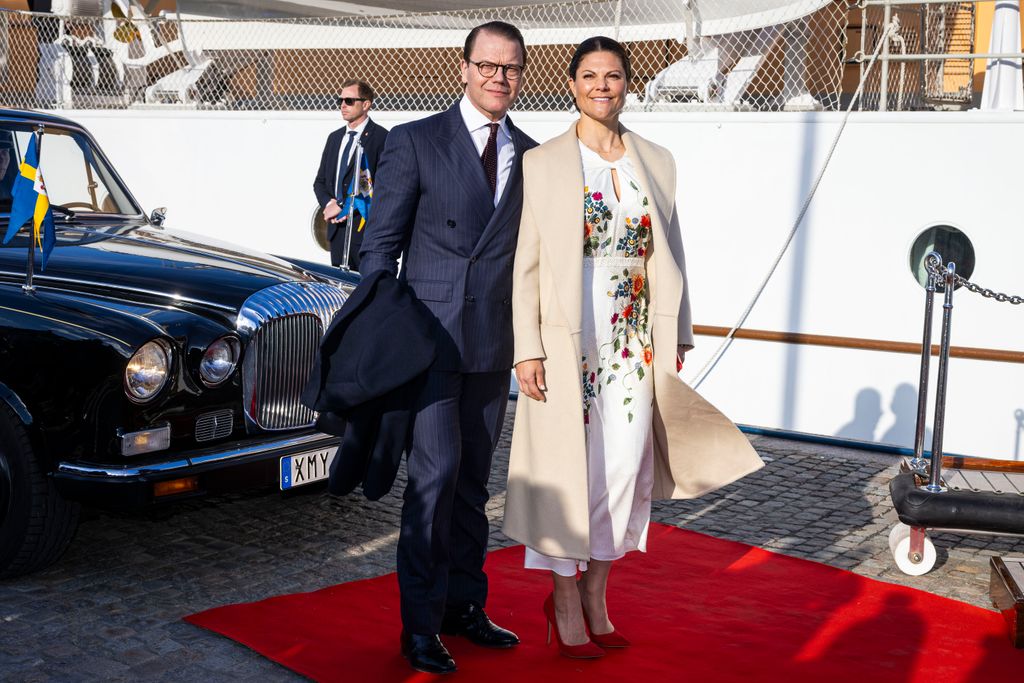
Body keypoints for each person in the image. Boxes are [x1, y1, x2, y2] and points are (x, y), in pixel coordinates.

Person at [504, 36, 763, 659]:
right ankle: (565, 598)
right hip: (570, 332)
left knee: (625, 466)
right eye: (589, 75)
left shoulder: (656, 159)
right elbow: (527, 265)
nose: (602, 86)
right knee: (570, 466)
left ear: (627, 84)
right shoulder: (543, 162)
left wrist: (676, 330)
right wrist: (527, 349)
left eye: (613, 76)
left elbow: (671, 250)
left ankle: (596, 589)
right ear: (571, 84)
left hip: (633, 334)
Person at [358, 21, 538, 675]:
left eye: (511, 67)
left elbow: (533, 260)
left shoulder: (533, 154)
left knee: (470, 485)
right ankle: (421, 625)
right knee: (432, 481)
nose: (498, 77)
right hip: (428, 342)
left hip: (492, 343)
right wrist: (382, 327)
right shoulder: (415, 142)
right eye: (487, 65)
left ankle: (466, 605)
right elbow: (380, 248)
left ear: (523, 72)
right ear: (463, 68)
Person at [313, 78, 388, 270]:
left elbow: (380, 185)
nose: (343, 105)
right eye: (340, 100)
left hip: (363, 230)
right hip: (337, 231)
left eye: (349, 101)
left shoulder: (382, 138)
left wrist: (343, 206)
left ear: (366, 104)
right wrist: (329, 204)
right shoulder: (335, 138)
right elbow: (320, 182)